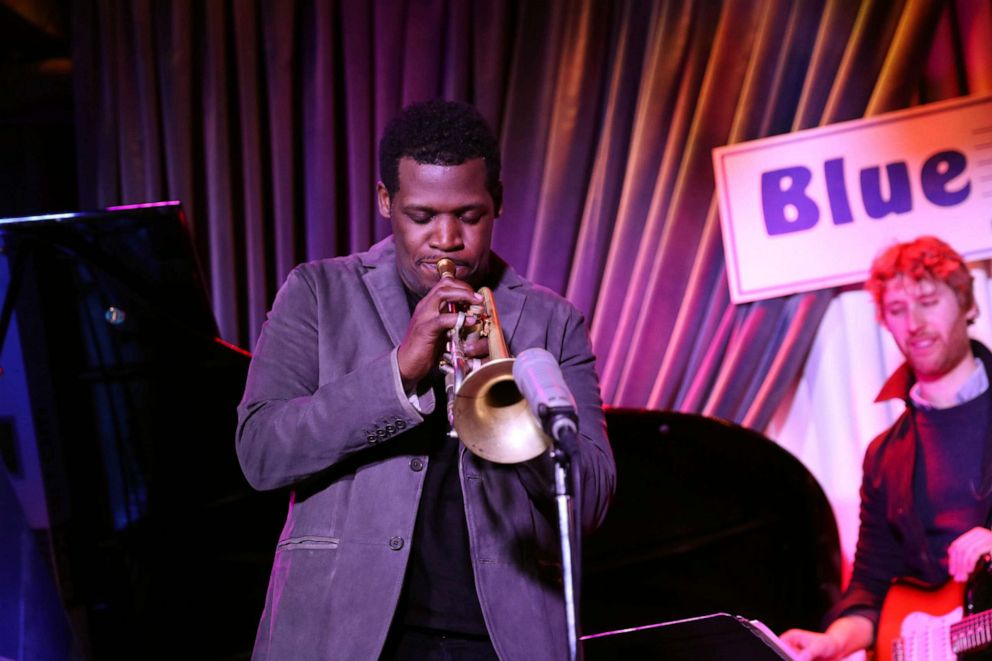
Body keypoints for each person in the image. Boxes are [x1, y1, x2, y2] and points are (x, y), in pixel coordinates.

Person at [235, 99, 616, 660]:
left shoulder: (550, 319)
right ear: (386, 201)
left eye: (469, 215)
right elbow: (261, 452)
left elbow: (591, 503)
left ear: (499, 203)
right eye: (421, 216)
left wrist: (503, 385)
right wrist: (400, 371)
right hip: (345, 634)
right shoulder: (319, 293)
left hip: (501, 642)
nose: (446, 240)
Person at [781, 236, 992, 660]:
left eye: (928, 301)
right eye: (897, 310)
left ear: (969, 305)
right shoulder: (884, 455)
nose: (913, 323)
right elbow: (871, 586)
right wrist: (832, 642)